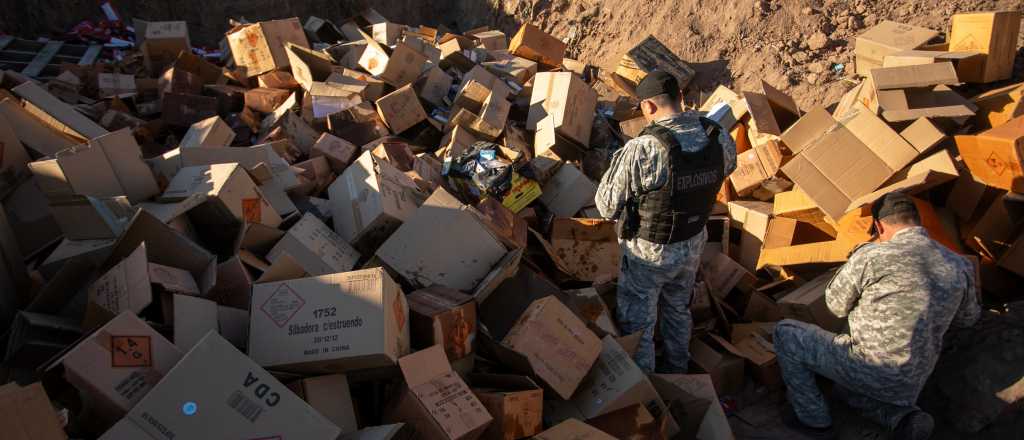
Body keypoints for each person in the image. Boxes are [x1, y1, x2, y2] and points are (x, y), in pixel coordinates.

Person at [774, 191, 981, 440]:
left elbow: (835, 305)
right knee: (850, 391)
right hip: (913, 381)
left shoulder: (872, 257)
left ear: (879, 226)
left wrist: (859, 257)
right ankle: (904, 420)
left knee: (786, 333)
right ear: (918, 222)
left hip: (868, 368)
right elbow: (967, 319)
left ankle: (813, 420)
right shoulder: (960, 265)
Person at [595, 70, 736, 373]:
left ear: (647, 107)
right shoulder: (717, 134)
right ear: (681, 98)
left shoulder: (643, 148)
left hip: (650, 252)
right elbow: (726, 169)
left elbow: (606, 206)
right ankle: (679, 374)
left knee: (639, 324)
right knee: (677, 309)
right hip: (692, 243)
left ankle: (647, 391)